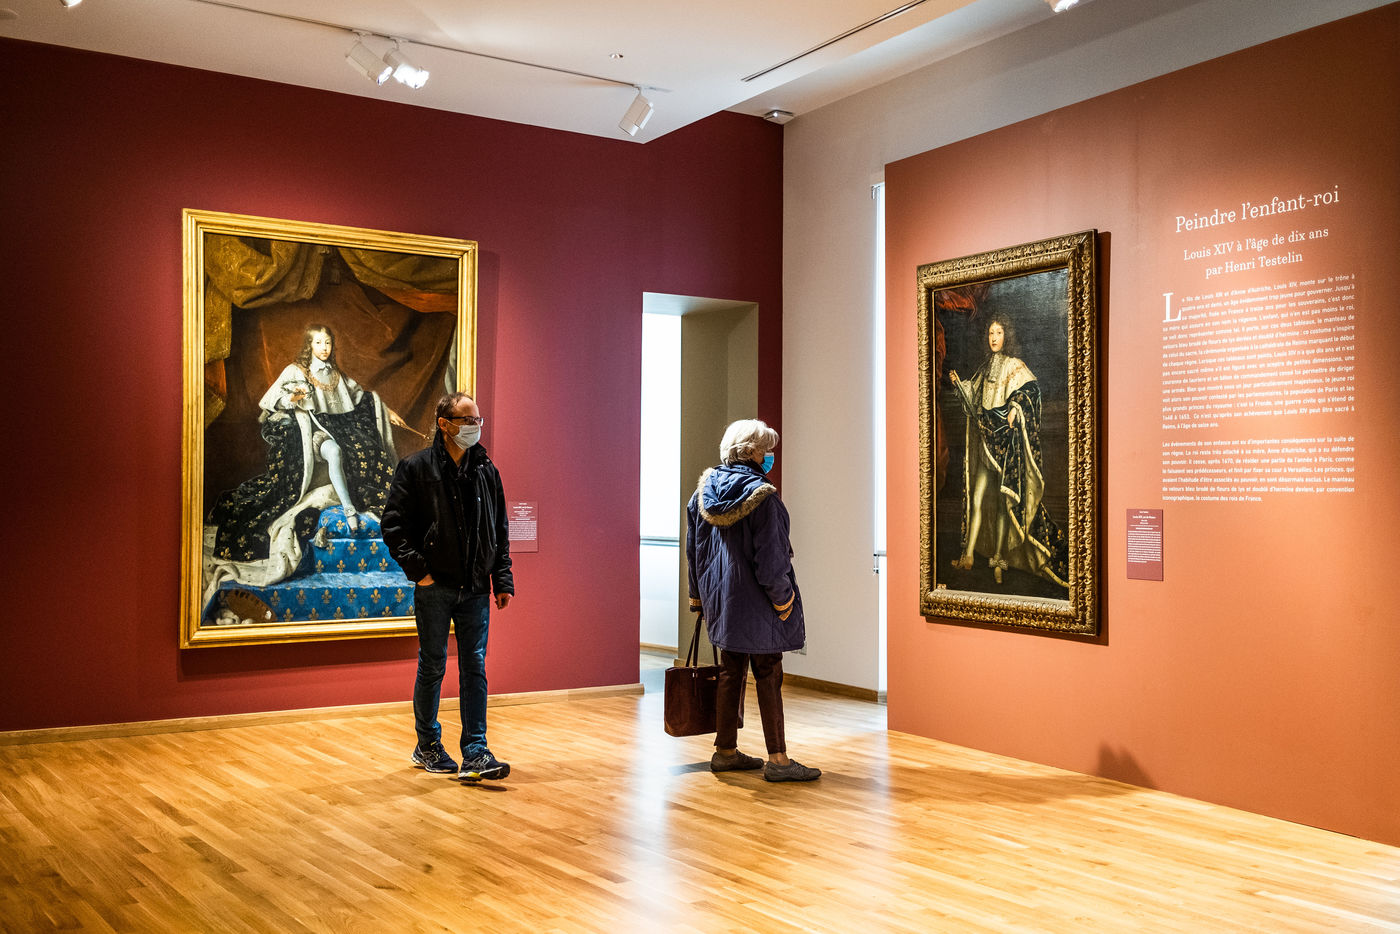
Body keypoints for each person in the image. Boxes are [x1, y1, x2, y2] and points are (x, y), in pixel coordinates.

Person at [204, 323, 404, 606]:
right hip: (308, 433)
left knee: (361, 449)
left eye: (328, 343)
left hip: (337, 428)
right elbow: (270, 401)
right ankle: (349, 510)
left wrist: (387, 410)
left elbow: (360, 397)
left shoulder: (335, 374)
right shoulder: (295, 371)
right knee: (334, 451)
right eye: (319, 343)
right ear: (309, 346)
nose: (324, 348)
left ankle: (353, 499)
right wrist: (292, 398)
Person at [381, 391, 515, 782]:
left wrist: (502, 578)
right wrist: (420, 572)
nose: (475, 427)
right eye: (467, 420)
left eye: (478, 420)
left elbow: (499, 529)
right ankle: (427, 745)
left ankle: (476, 752)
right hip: (434, 588)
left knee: (475, 667)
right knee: (433, 666)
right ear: (444, 424)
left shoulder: (486, 470)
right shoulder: (416, 468)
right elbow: (393, 526)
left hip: (475, 588)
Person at [686, 419, 820, 783]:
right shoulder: (764, 499)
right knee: (768, 673)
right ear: (750, 452)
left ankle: (725, 752)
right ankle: (779, 760)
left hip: (723, 604)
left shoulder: (702, 496)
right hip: (760, 604)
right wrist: (783, 601)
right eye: (766, 451)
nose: (769, 456)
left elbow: (694, 554)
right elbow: (771, 561)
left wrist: (699, 598)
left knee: (731, 672)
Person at [948, 313, 1068, 587]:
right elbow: (973, 403)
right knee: (977, 498)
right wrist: (959, 385)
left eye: (999, 333)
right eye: (991, 333)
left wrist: (1015, 407)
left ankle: (999, 558)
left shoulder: (1014, 366)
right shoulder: (984, 368)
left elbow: (1031, 391)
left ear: (1007, 336)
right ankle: (968, 555)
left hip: (1005, 446)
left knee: (1005, 503)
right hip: (985, 444)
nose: (994, 338)